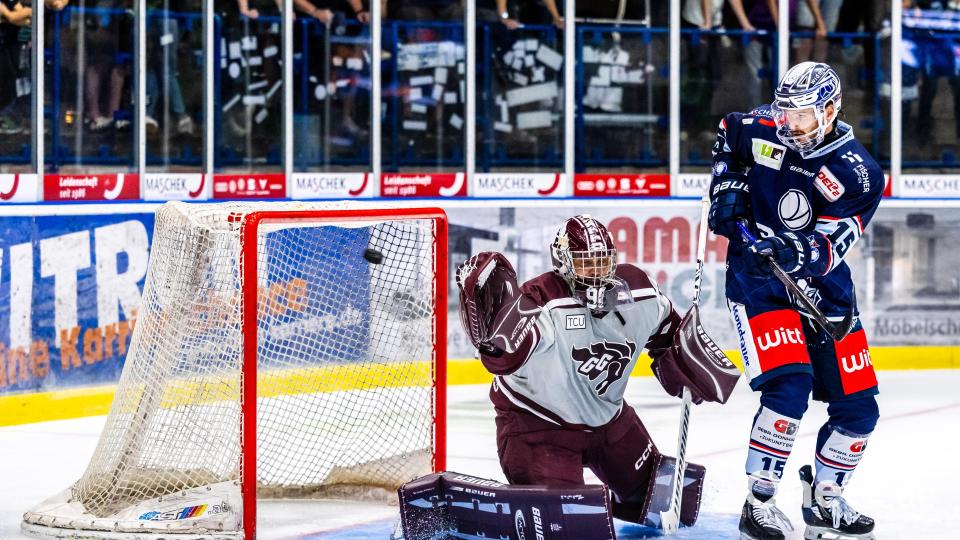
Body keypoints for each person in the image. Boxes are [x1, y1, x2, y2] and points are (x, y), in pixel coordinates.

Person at [456, 215, 739, 529]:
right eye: (585, 264)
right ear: (562, 263)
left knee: (669, 504)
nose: (596, 273)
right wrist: (495, 342)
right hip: (538, 427)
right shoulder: (541, 301)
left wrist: (686, 356)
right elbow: (504, 358)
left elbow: (667, 332)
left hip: (609, 422)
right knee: (566, 525)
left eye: (602, 262)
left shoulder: (640, 292)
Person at [707, 61, 882, 540]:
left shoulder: (858, 174)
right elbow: (729, 132)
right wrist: (727, 183)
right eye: (784, 112)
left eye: (801, 116)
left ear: (829, 111)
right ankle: (758, 503)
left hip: (824, 292)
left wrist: (791, 248)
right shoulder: (765, 127)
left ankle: (826, 497)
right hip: (758, 283)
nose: (788, 124)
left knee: (860, 407)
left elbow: (830, 246)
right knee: (789, 389)